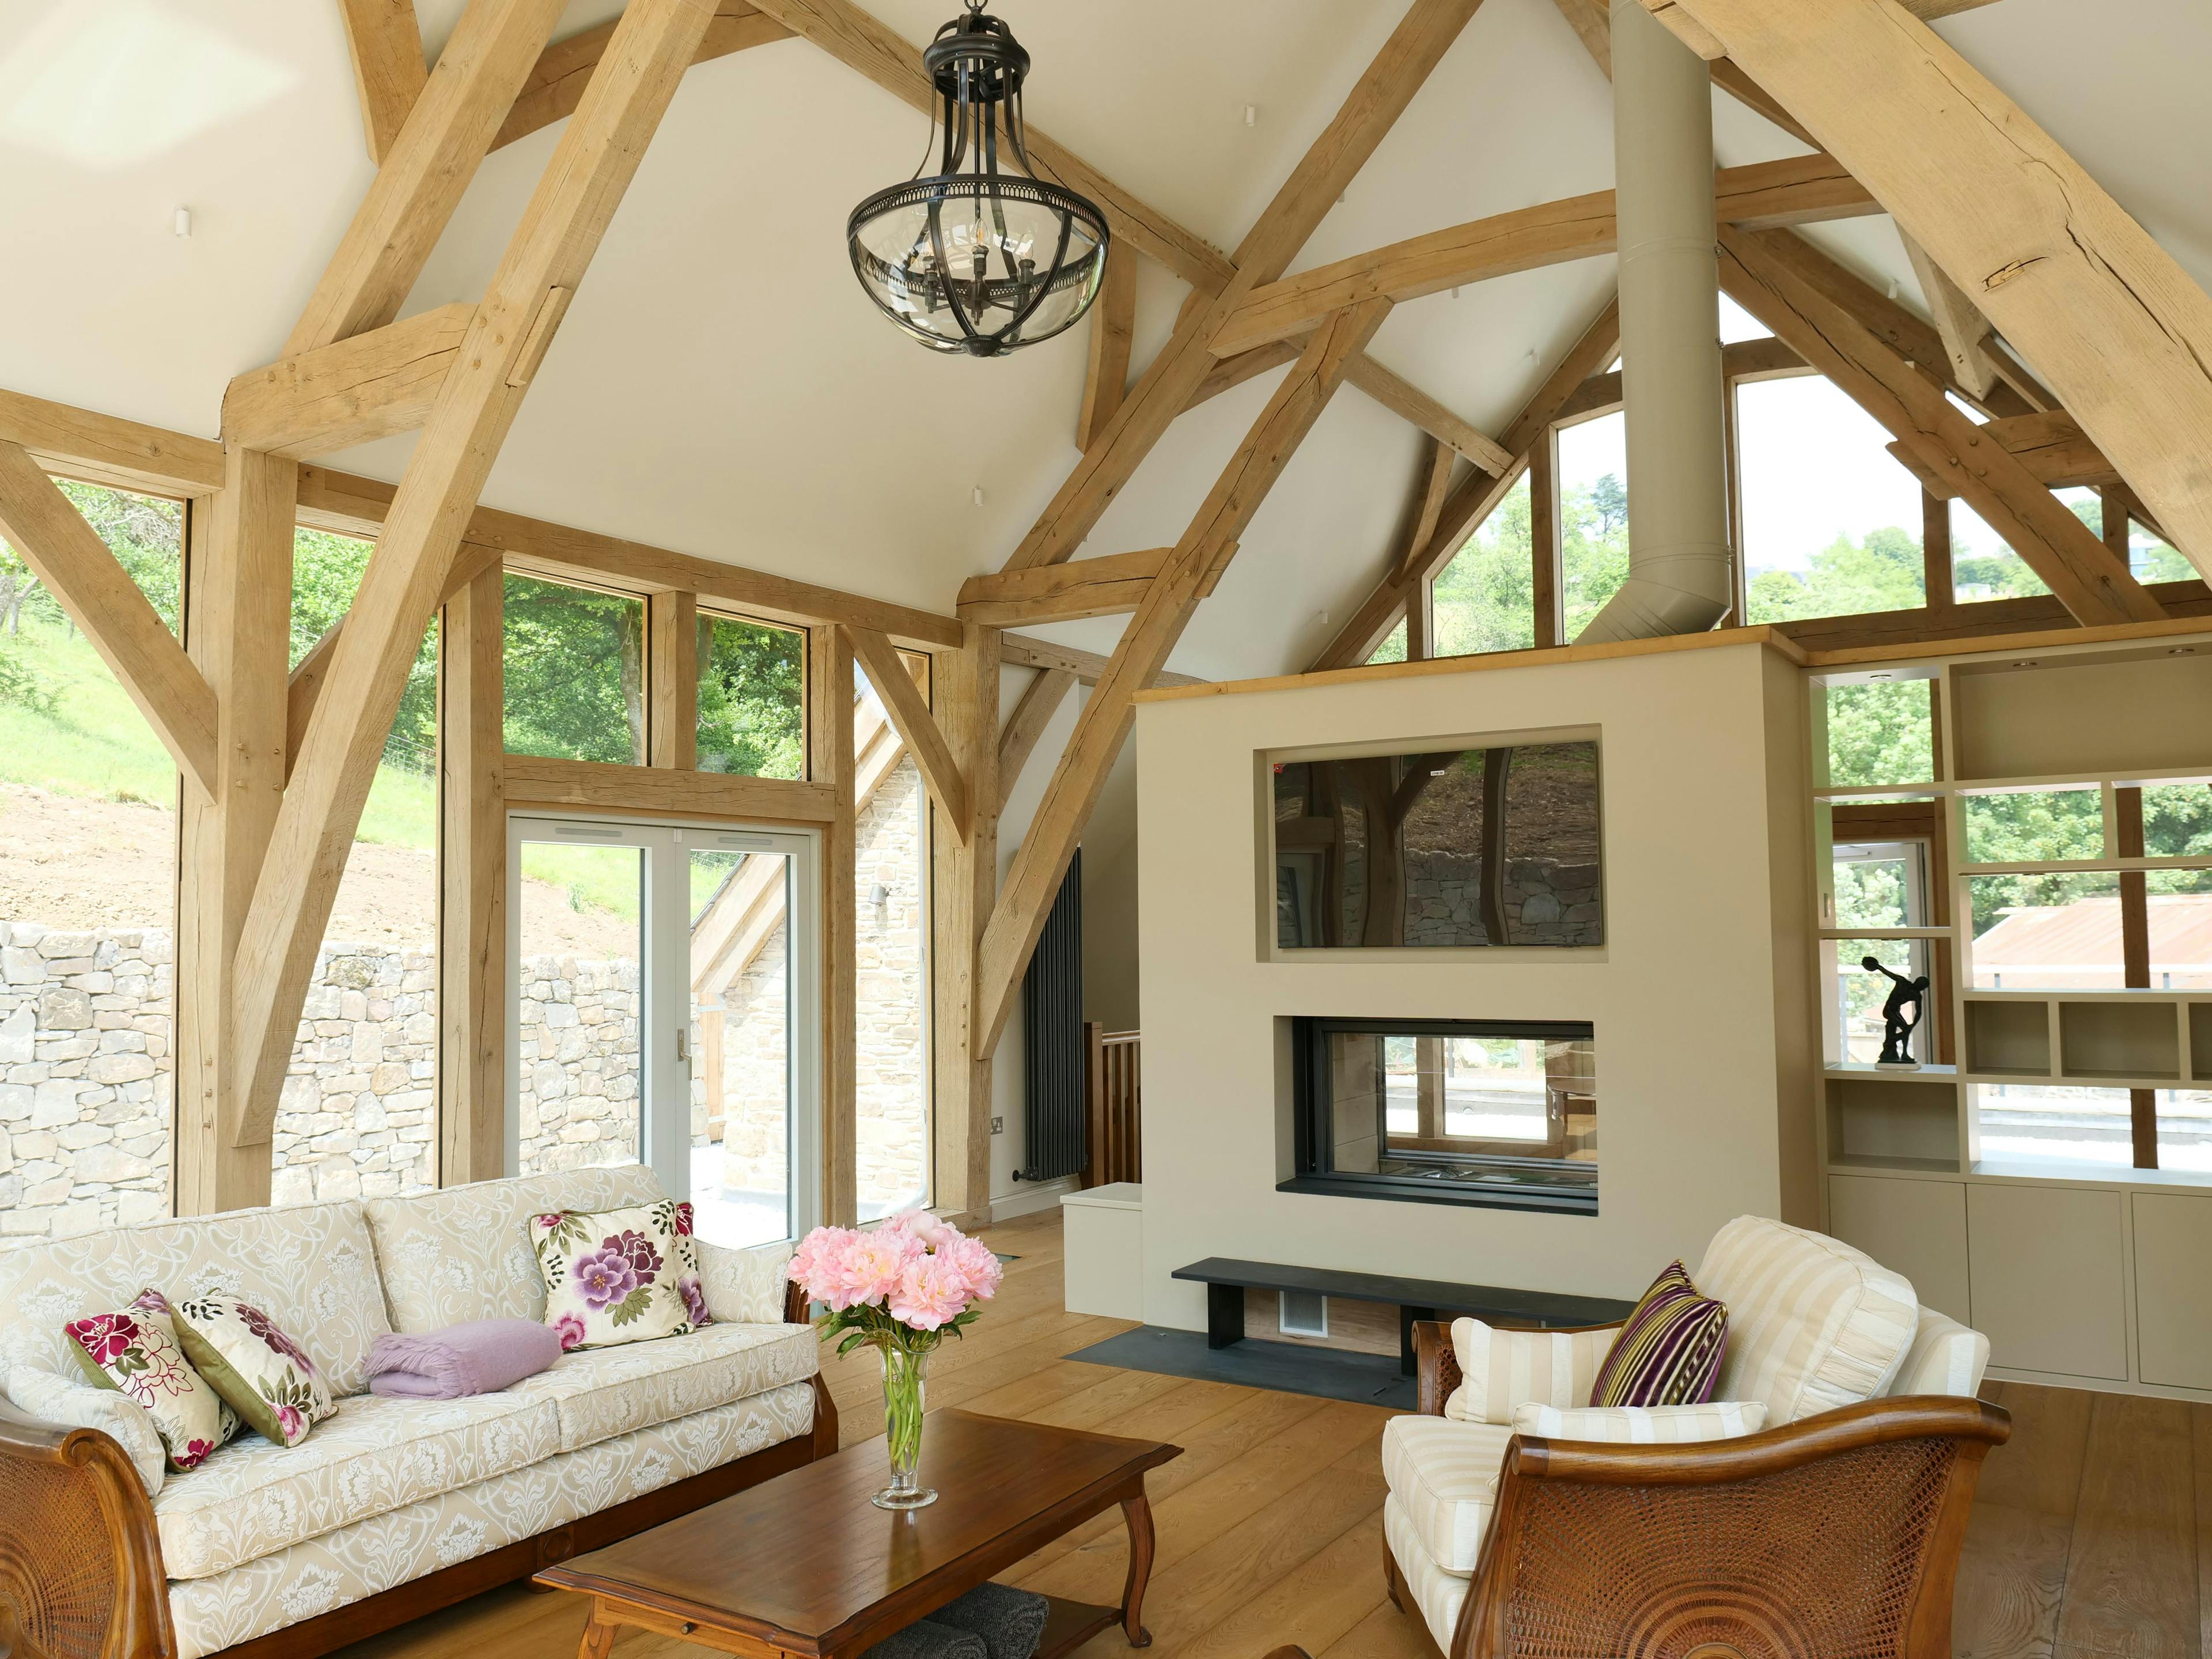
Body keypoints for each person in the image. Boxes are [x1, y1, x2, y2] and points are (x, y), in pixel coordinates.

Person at [1862, 956, 1929, 1069]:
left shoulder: (1916, 995)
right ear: (1918, 984)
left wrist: (1913, 1025)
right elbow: (1888, 974)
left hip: (1896, 1011)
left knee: (1905, 1029)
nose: (1922, 990)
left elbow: (1919, 1012)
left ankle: (1895, 1050)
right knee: (1905, 1029)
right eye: (1922, 987)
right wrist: (1877, 967)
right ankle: (1896, 1048)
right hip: (1889, 1010)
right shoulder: (1903, 982)